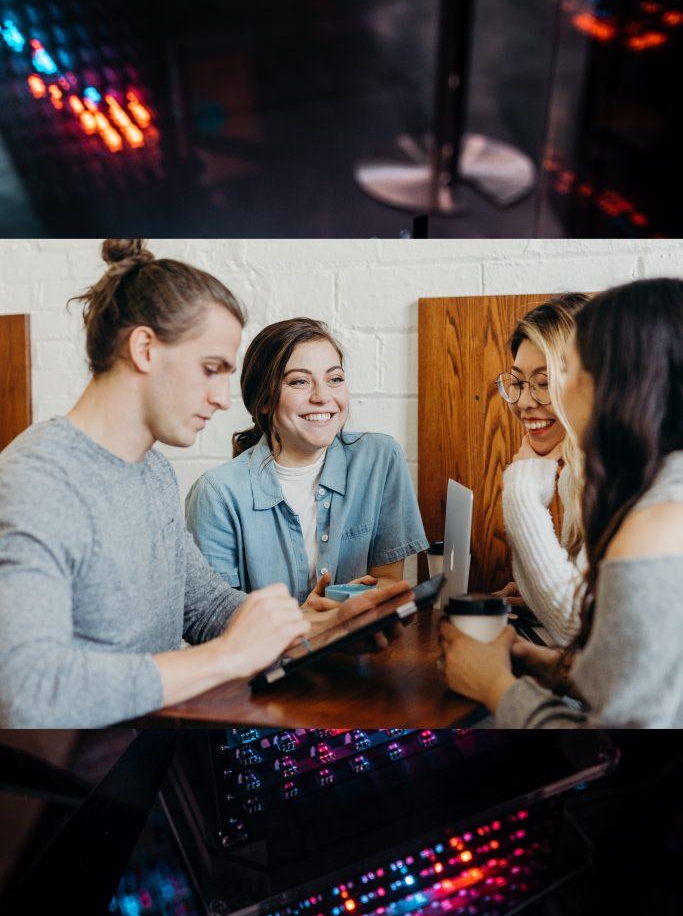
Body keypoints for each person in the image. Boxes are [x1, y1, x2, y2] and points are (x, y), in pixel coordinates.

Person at [0, 240, 409, 729]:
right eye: (211, 369)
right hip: (82, 776)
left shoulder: (151, 471)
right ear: (145, 349)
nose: (221, 398)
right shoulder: (36, 481)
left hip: (155, 743)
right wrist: (227, 658)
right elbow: (24, 690)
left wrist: (319, 631)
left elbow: (208, 607)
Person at [439, 277, 683, 728]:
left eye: (565, 372)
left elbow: (615, 750)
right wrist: (552, 667)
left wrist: (496, 686)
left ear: (622, 384)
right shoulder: (652, 486)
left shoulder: (658, 523)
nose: (539, 399)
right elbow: (631, 678)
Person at [186, 318, 428, 606]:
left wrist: (350, 610)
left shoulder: (380, 458)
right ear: (263, 400)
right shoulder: (216, 494)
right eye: (300, 381)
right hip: (271, 652)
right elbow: (214, 618)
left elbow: (388, 580)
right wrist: (310, 621)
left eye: (334, 379)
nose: (323, 397)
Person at [496, 294, 587, 646]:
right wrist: (537, 599)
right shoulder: (576, 472)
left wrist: (521, 489)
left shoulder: (621, 477)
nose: (523, 401)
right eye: (517, 382)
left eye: (544, 382)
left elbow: (574, 627)